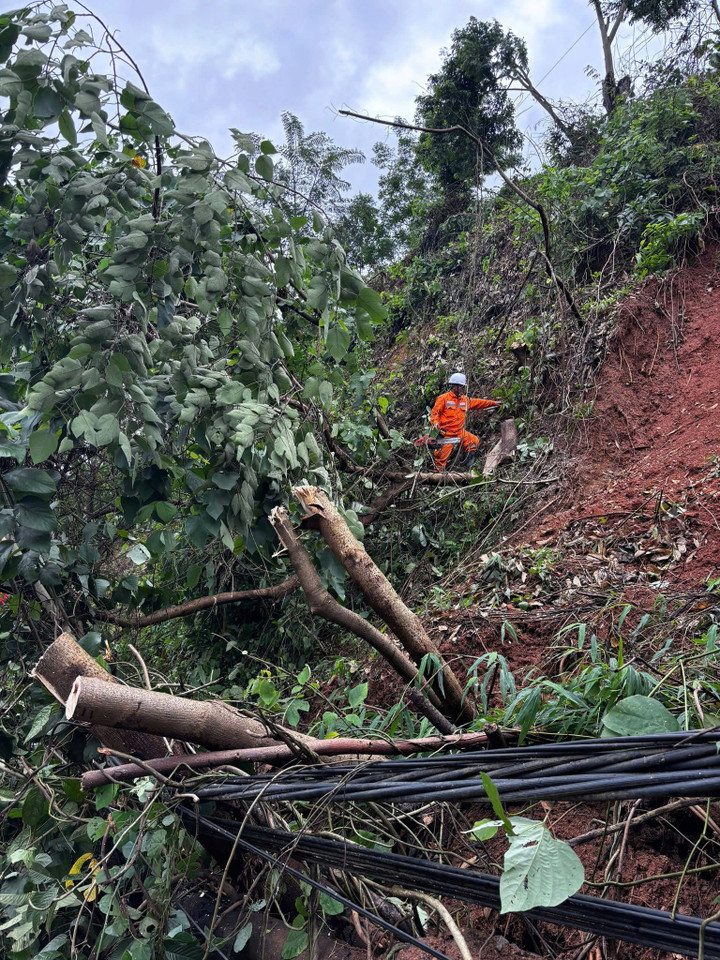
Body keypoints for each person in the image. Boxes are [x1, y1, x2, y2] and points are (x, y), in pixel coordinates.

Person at [429, 372, 500, 472]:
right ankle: (438, 478)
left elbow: (479, 403)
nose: (463, 389)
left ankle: (467, 469)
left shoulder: (464, 400)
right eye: (461, 387)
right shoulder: (443, 399)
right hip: (446, 434)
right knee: (440, 460)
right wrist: (435, 425)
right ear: (454, 386)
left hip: (459, 432)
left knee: (473, 441)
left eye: (463, 387)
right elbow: (434, 414)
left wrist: (494, 403)